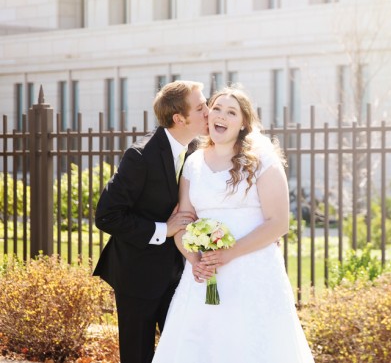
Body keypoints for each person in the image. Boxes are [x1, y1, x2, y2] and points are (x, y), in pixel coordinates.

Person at [152, 86, 314, 362]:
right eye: (216, 108)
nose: (221, 116)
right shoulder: (192, 164)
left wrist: (228, 253)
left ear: (243, 124)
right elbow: (183, 224)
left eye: (231, 112)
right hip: (205, 276)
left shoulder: (262, 161)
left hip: (253, 272)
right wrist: (195, 260)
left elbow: (278, 223)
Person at [94, 80, 213, 363]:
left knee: (184, 351)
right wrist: (164, 229)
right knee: (138, 356)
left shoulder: (197, 151)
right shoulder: (140, 156)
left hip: (179, 275)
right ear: (179, 118)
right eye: (200, 107)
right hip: (137, 277)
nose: (208, 111)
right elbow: (107, 215)